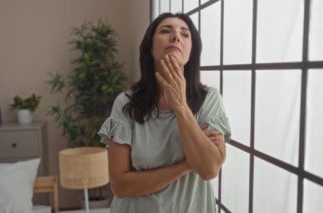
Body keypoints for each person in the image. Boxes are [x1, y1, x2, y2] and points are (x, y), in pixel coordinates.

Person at [98, 12, 231, 213]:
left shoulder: (209, 100)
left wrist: (180, 106)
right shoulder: (125, 103)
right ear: (150, 48)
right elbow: (120, 185)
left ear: (191, 52)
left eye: (185, 34)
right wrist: (186, 165)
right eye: (166, 31)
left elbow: (209, 169)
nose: (176, 36)